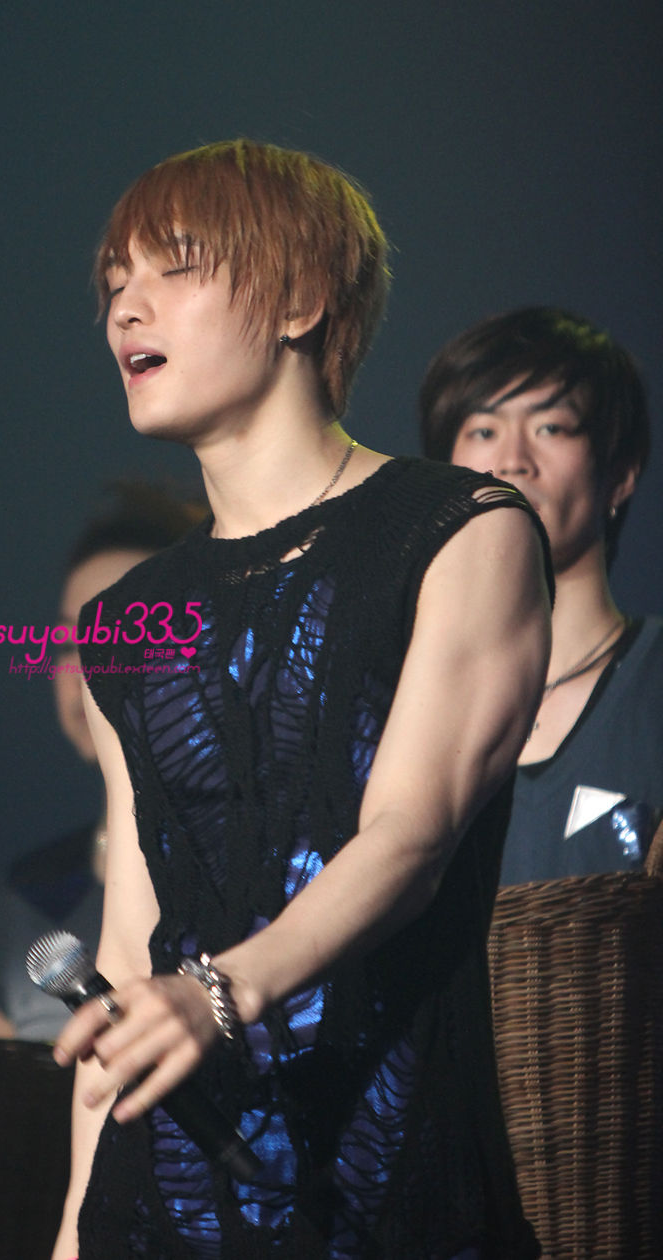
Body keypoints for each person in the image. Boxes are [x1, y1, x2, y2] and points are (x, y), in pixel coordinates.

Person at [51, 139, 551, 1260]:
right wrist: (74, 1232)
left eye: (174, 266)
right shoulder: (128, 616)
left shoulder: (460, 531)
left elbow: (410, 836)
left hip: (387, 1182)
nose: (126, 306)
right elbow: (128, 943)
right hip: (165, 1202)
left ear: (300, 299)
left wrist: (218, 993)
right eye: (114, 282)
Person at [420, 306, 663, 885]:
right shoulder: (405, 700)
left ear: (621, 473)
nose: (512, 460)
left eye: (550, 428)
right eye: (483, 431)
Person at [0, 481, 201, 1040]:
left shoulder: (259, 877)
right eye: (68, 641)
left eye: (121, 637)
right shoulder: (31, 890)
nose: (86, 666)